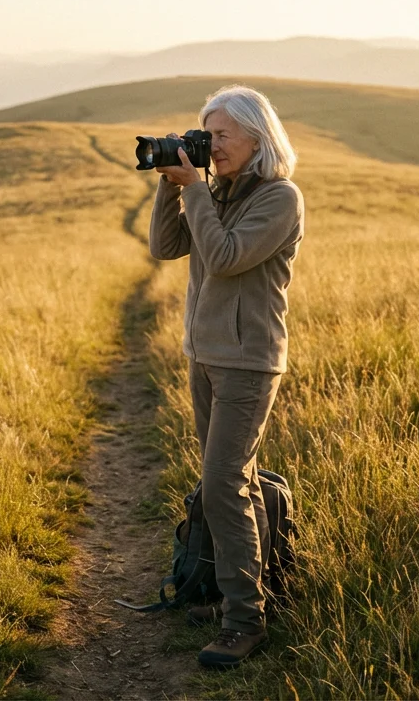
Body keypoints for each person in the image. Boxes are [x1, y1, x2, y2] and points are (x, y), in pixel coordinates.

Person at [148, 84, 304, 668]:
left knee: (222, 486)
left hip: (248, 362)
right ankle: (251, 591)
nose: (210, 146)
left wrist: (196, 194)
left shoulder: (280, 198)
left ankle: (244, 622)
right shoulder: (216, 192)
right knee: (237, 480)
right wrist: (172, 187)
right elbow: (166, 247)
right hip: (205, 355)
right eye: (205, 134)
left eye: (220, 136)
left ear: (256, 136)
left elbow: (226, 257)